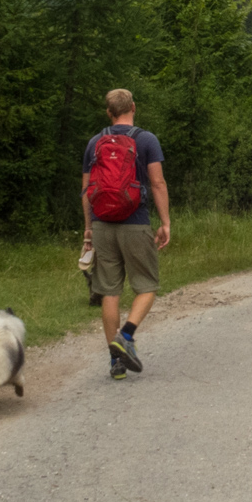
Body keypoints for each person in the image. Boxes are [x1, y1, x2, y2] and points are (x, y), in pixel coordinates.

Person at [81, 88, 171, 380]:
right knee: (147, 286)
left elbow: (86, 191)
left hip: (102, 224)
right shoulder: (146, 140)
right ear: (133, 107)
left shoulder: (95, 143)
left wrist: (88, 228)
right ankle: (127, 336)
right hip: (135, 222)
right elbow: (157, 183)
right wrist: (165, 222)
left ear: (108, 112)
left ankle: (115, 362)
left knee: (110, 291)